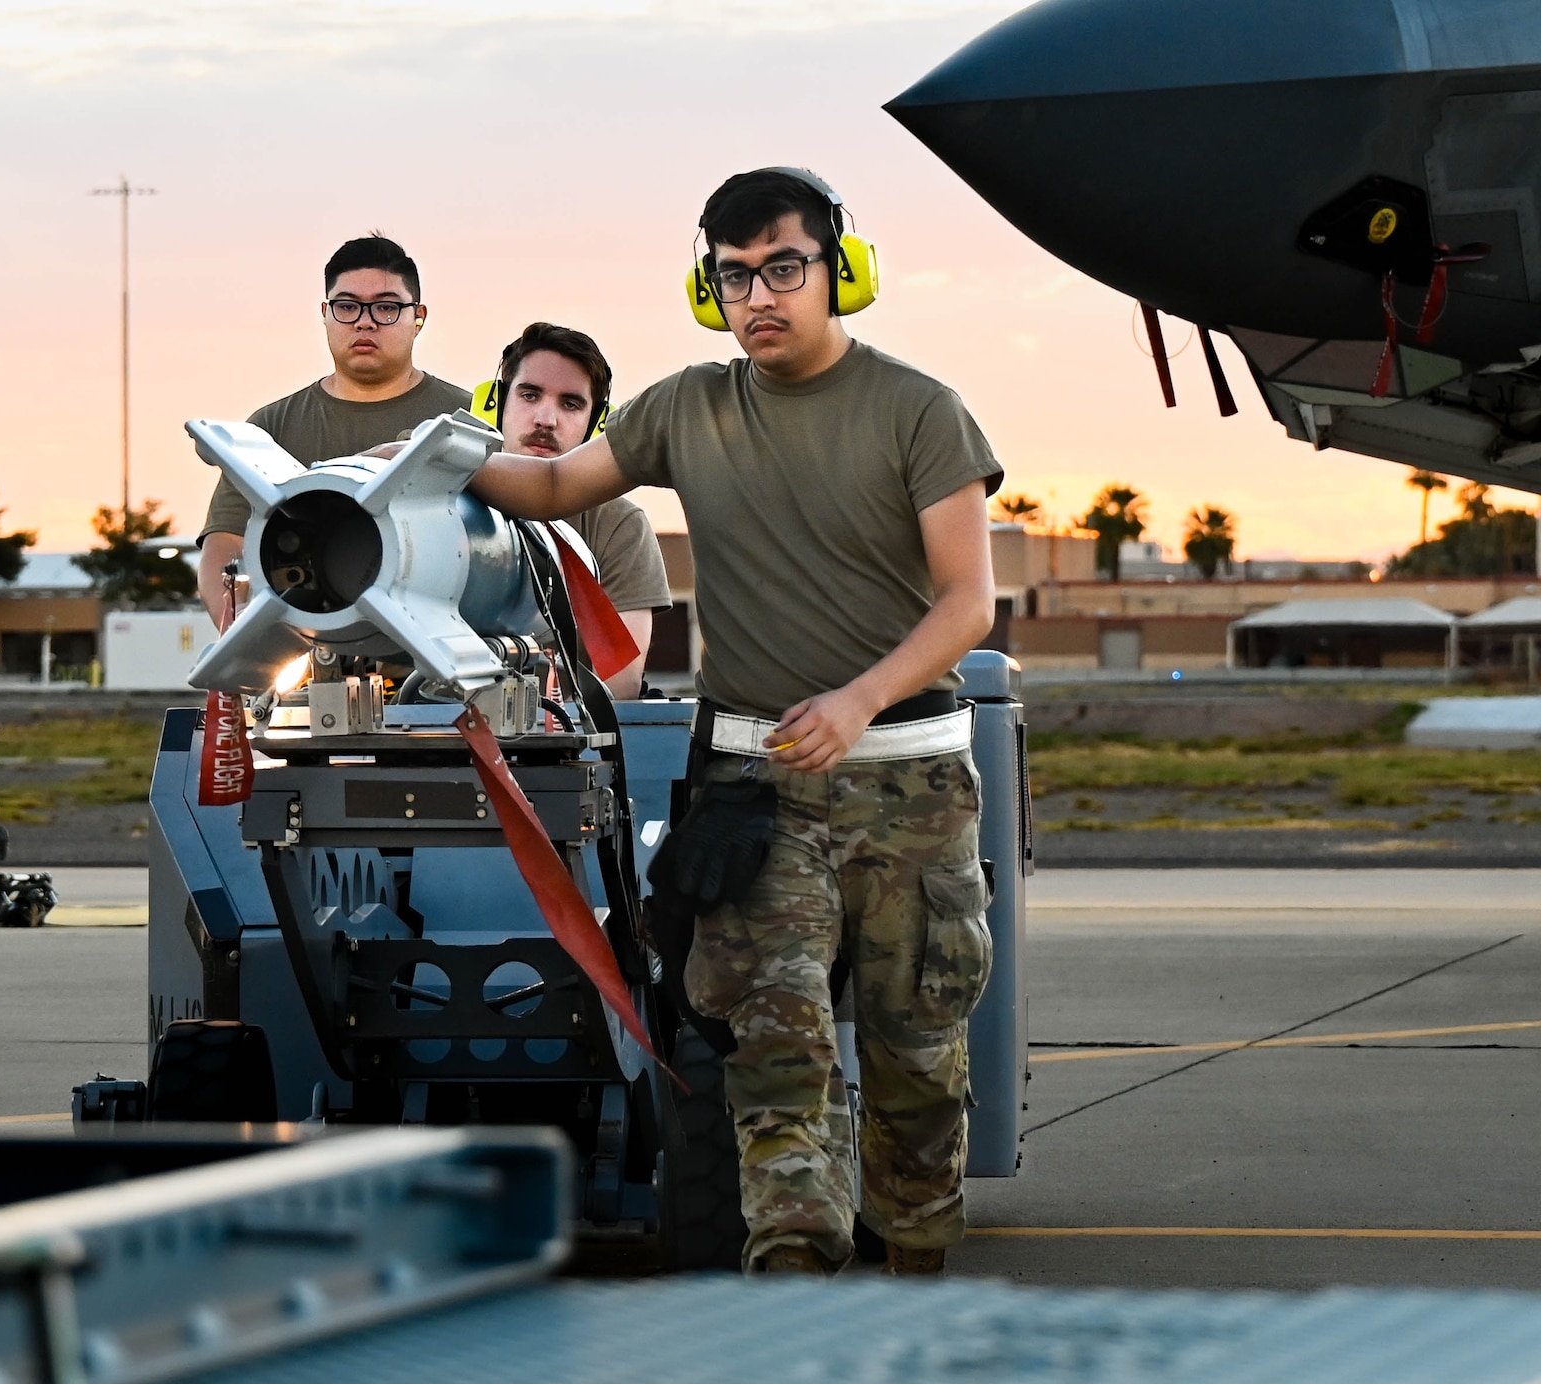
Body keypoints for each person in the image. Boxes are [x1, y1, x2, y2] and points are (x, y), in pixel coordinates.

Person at [461, 168, 1002, 1277]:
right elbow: (555, 487)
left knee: (913, 1063)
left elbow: (968, 603)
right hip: (760, 799)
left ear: (838, 272)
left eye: (783, 268)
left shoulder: (920, 411)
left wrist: (858, 697)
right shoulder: (685, 408)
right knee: (773, 1051)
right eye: (734, 275)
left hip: (909, 790)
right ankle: (789, 1291)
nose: (760, 295)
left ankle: (915, 1287)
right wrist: (416, 461)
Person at [197, 234, 470, 597]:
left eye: (386, 307)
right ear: (325, 314)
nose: (365, 322)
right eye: (347, 306)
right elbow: (225, 550)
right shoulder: (271, 429)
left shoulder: (463, 424)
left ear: (418, 317)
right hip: (311, 640)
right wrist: (253, 644)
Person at [480, 322, 670, 698]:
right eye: (530, 395)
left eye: (570, 404)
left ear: (597, 422)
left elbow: (618, 686)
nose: (546, 420)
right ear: (498, 402)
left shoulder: (618, 525)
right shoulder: (439, 497)